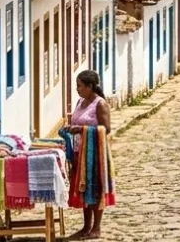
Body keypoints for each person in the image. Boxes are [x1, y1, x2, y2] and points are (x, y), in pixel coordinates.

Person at [65, 69, 113, 240]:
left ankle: (96, 228)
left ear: (90, 86)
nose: (77, 89)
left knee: (96, 189)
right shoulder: (80, 102)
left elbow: (105, 128)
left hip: (96, 153)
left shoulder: (100, 104)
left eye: (79, 86)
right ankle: (86, 226)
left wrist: (82, 129)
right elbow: (76, 122)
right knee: (84, 188)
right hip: (80, 152)